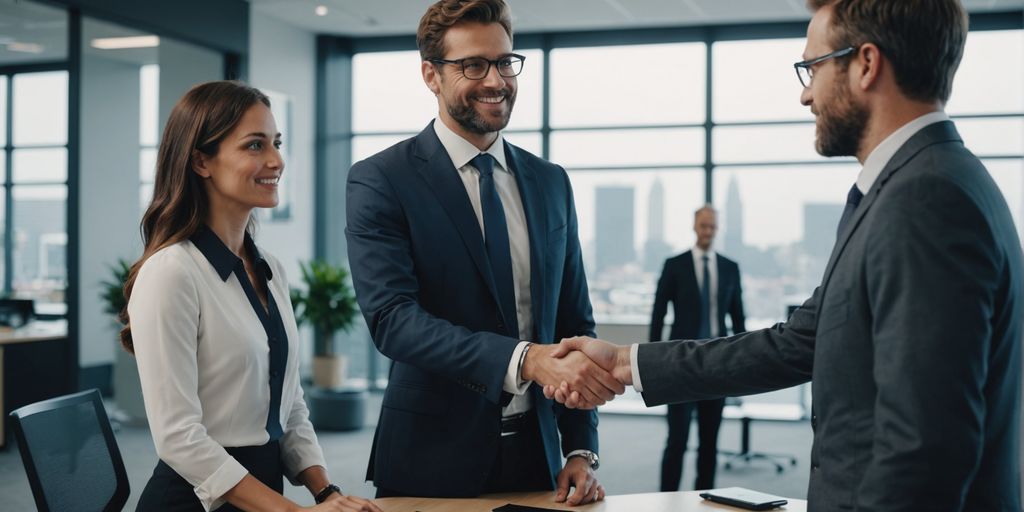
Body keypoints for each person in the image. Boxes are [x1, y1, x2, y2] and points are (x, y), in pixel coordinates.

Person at [545, 0, 1023, 510]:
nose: (804, 94)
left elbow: (926, 450)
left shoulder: (925, 199)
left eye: (812, 67)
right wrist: (623, 361)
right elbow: (797, 344)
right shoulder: (913, 185)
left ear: (865, 63)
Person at [345, 0, 621, 506]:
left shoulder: (550, 182)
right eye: (472, 65)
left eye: (504, 62)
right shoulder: (382, 179)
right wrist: (525, 360)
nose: (495, 80)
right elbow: (393, 320)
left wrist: (581, 448)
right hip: (429, 458)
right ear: (431, 74)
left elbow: (573, 322)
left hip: (537, 459)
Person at [123, 81, 381, 512]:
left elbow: (289, 404)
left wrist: (326, 492)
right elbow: (178, 438)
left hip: (261, 493)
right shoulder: (171, 273)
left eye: (276, 143)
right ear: (201, 161)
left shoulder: (269, 268)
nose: (276, 160)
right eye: (255, 145)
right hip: (198, 500)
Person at [649, 205, 745, 491]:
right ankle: (666, 500)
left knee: (709, 443)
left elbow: (738, 317)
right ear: (694, 226)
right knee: (677, 440)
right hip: (680, 364)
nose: (708, 232)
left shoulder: (730, 268)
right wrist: (652, 364)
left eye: (712, 227)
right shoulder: (674, 265)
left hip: (718, 363)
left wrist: (743, 363)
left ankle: (706, 500)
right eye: (704, 226)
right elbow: (658, 314)